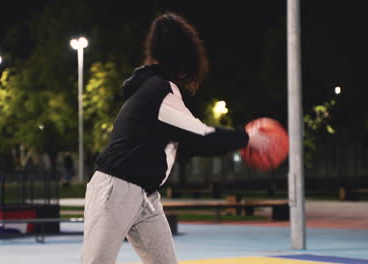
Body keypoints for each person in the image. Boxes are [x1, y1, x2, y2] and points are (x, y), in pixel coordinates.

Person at [81, 12, 264, 264]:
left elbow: (186, 142)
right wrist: (246, 138)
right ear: (187, 60)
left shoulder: (150, 89)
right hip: (116, 189)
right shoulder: (161, 91)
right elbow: (199, 135)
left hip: (145, 196)